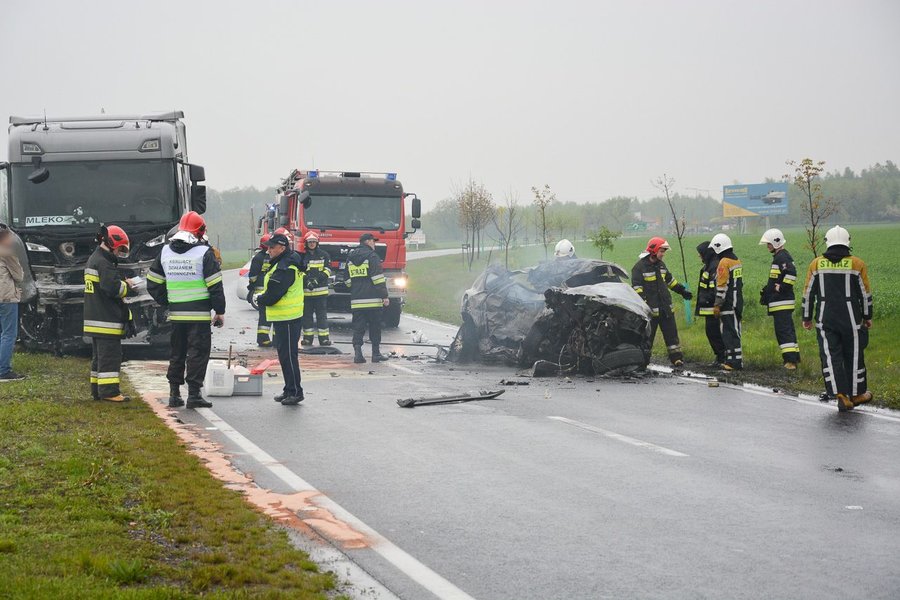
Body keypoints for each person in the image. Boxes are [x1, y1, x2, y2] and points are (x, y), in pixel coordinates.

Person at [147, 211, 225, 409]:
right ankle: (193, 394)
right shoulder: (204, 253)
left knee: (177, 353)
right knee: (197, 354)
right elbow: (215, 285)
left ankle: (174, 395)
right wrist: (220, 311)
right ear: (200, 232)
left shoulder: (165, 252)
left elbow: (153, 283)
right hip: (198, 316)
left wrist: (169, 301)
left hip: (176, 315)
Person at [801, 225, 873, 412]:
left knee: (831, 356)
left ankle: (840, 395)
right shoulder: (857, 264)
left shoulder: (816, 264)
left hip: (825, 319)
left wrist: (806, 317)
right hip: (852, 319)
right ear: (848, 242)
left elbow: (808, 293)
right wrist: (867, 316)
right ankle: (857, 394)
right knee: (854, 355)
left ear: (827, 242)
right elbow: (865, 294)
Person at [83, 225, 136, 401]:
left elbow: (104, 284)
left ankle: (97, 390)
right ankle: (110, 392)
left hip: (97, 318)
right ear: (112, 243)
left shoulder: (95, 259)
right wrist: (127, 286)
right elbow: (112, 288)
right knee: (110, 357)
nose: (120, 253)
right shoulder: (104, 262)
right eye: (120, 249)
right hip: (106, 319)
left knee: (99, 358)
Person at [254, 233, 306, 405]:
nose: (268, 250)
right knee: (285, 356)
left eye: (271, 247)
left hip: (288, 318)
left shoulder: (285, 267)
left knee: (289, 356)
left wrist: (258, 299)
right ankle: (289, 389)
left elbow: (274, 294)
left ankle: (295, 392)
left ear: (282, 248)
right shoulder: (286, 261)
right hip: (285, 317)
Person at [631, 237, 693, 367]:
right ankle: (644, 361)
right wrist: (644, 305)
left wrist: (682, 291)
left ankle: (676, 359)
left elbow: (670, 281)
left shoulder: (661, 265)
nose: (663, 254)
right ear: (653, 250)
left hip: (666, 309)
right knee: (647, 338)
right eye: (662, 251)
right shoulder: (639, 268)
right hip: (650, 312)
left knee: (672, 336)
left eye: (664, 251)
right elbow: (637, 288)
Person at [344, 233, 389, 364]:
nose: (374, 244)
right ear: (368, 241)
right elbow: (378, 278)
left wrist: (355, 288)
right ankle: (376, 354)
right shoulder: (372, 256)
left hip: (357, 301)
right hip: (373, 300)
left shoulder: (350, 257)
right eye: (373, 241)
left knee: (358, 328)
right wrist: (384, 295)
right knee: (375, 327)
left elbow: (346, 280)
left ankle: (358, 355)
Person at [759, 228, 800, 369]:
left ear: (776, 243)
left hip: (782, 302)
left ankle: (790, 362)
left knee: (784, 332)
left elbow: (791, 274)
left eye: (769, 244)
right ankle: (794, 358)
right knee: (788, 331)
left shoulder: (782, 257)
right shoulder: (780, 257)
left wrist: (780, 288)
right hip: (780, 302)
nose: (767, 246)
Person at [710, 233, 744, 371]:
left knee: (729, 332)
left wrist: (717, 304)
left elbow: (722, 285)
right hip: (737, 302)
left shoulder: (724, 262)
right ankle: (735, 360)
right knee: (735, 331)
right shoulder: (737, 261)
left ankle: (734, 362)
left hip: (728, 304)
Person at [0, 223, 25, 382]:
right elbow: (19, 276)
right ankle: (3, 371)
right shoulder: (6, 252)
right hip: (6, 297)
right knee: (9, 334)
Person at [695, 240, 725, 366]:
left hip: (713, 307)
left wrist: (712, 301)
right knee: (711, 332)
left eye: (700, 253)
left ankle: (722, 357)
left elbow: (715, 287)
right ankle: (720, 357)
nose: (698, 255)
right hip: (708, 307)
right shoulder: (709, 265)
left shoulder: (714, 266)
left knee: (714, 333)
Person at [300, 231, 332, 346]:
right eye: (310, 242)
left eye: (314, 242)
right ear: (306, 243)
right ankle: (308, 339)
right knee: (307, 317)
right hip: (306, 293)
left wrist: (317, 280)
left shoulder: (324, 255)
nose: (312, 244)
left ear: (317, 242)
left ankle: (324, 339)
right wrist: (307, 280)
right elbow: (300, 271)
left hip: (321, 293)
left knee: (322, 317)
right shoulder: (302, 256)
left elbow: (328, 270)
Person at [247, 233, 273, 347]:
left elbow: (253, 277)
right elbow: (253, 276)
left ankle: (264, 339)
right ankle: (263, 339)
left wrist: (252, 286)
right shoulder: (263, 257)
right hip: (264, 292)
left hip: (264, 291)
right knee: (266, 316)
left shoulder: (259, 257)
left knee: (266, 316)